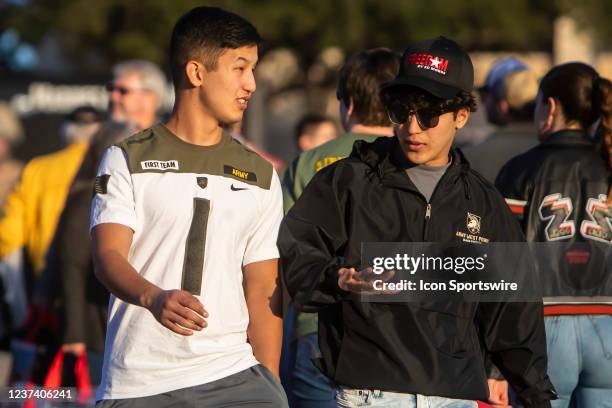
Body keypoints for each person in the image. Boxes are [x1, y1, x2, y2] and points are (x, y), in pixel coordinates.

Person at [279, 36, 556, 407]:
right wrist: (337, 277)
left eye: (428, 115)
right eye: (400, 111)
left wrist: (535, 395)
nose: (412, 127)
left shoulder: (483, 201)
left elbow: (513, 309)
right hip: (369, 394)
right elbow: (294, 250)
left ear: (461, 115)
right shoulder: (349, 180)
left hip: (454, 396)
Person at [90, 6, 287, 406]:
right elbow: (107, 257)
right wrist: (152, 297)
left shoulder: (262, 174)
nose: (250, 84)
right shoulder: (124, 158)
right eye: (239, 68)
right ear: (196, 73)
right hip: (139, 383)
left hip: (237, 378)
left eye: (253, 69)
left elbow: (264, 288)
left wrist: (270, 383)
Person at [280, 47, 399, 408]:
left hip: (315, 330)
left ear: (347, 105)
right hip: (398, 335)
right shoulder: (414, 161)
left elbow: (283, 254)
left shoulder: (307, 163)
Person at [496, 62, 612, 408]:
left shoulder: (522, 169)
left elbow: (502, 267)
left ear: (549, 107)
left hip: (542, 330)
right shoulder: (608, 163)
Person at [53, 122, 135, 385]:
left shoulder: (128, 194)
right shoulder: (88, 196)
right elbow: (71, 264)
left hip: (115, 317)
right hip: (93, 327)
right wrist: (74, 334)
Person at [0, 106, 101, 282]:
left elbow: (10, 235)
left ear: (66, 133)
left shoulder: (36, 169)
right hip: (101, 274)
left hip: (47, 275)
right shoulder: (112, 165)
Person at [463, 57, 540, 183]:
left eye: (485, 96)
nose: (483, 102)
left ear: (503, 106)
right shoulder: (558, 154)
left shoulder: (467, 159)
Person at [106, 59, 167, 132]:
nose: (113, 97)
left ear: (150, 99)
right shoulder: (96, 137)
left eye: (123, 91)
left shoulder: (169, 140)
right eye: (111, 88)